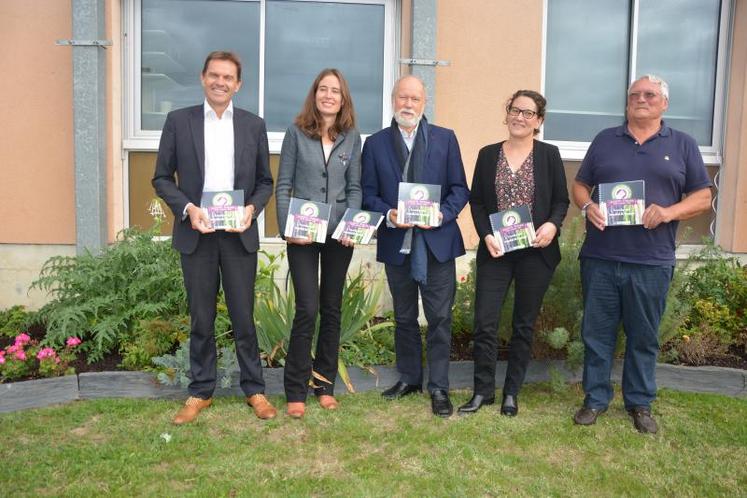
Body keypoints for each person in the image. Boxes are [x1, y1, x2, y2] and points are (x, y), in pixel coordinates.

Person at [572, 74, 712, 433]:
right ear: (627, 102)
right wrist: (588, 206)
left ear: (664, 103)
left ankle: (639, 403)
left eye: (650, 94)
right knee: (597, 334)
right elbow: (580, 185)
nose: (641, 99)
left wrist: (667, 212)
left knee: (643, 337)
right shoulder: (606, 140)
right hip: (601, 257)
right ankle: (595, 399)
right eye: (635, 94)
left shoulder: (682, 144)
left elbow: (702, 197)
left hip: (651, 261)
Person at [153, 51, 276, 424]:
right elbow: (161, 178)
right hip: (198, 234)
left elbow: (264, 182)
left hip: (238, 235)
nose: (221, 82)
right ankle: (200, 391)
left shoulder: (254, 125)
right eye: (214, 75)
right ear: (203, 77)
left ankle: (254, 389)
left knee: (243, 317)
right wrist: (188, 208)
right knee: (201, 318)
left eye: (228, 77)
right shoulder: (179, 121)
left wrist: (252, 210)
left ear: (238, 84)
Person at [361, 75, 470, 417]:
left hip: (437, 243)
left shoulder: (445, 139)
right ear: (393, 100)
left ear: (425, 103)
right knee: (405, 316)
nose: (408, 104)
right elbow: (368, 194)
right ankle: (409, 377)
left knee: (439, 317)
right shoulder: (376, 144)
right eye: (402, 97)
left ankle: (439, 387)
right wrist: (390, 214)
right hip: (398, 242)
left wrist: (441, 215)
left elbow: (459, 189)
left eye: (415, 99)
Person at [459, 90, 569, 417]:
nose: (520, 117)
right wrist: (486, 235)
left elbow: (561, 201)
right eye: (515, 110)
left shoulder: (548, 155)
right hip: (497, 251)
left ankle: (511, 392)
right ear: (507, 113)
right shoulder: (488, 154)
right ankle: (483, 392)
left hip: (536, 252)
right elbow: (477, 201)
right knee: (485, 322)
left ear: (539, 121)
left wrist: (552, 226)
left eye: (528, 113)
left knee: (523, 324)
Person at [275, 68, 362, 418]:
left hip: (340, 235)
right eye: (323, 89)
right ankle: (295, 389)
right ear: (315, 94)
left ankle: (324, 385)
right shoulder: (296, 133)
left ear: (343, 99)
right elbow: (283, 186)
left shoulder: (352, 137)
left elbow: (355, 187)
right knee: (307, 308)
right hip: (303, 233)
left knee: (332, 308)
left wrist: (351, 226)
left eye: (336, 91)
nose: (329, 95)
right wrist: (286, 229)